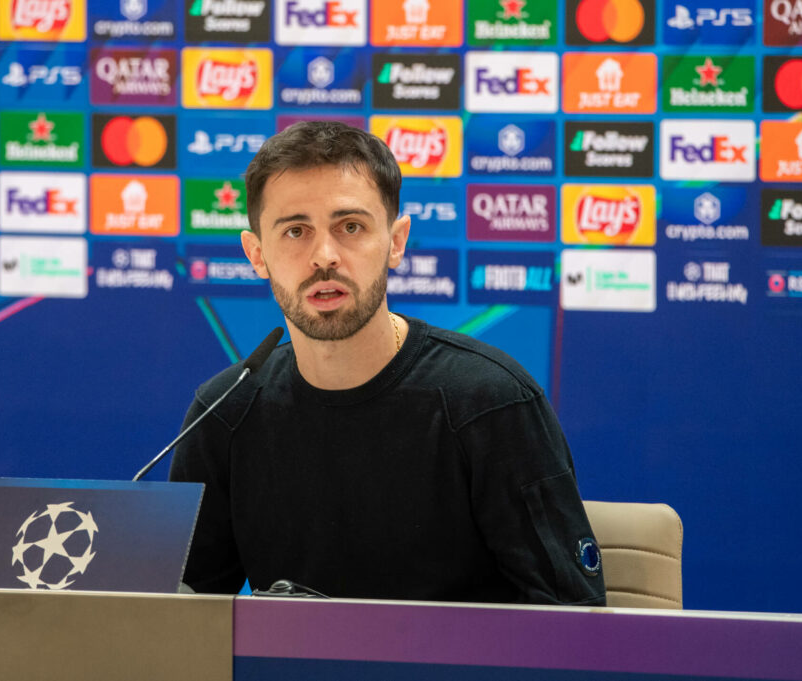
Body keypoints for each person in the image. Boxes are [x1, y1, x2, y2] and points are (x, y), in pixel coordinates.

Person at [169, 121, 605, 605]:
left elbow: (571, 624)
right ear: (257, 254)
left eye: (350, 227)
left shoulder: (490, 401)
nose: (324, 256)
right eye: (296, 231)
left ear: (396, 242)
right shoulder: (224, 414)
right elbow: (181, 624)